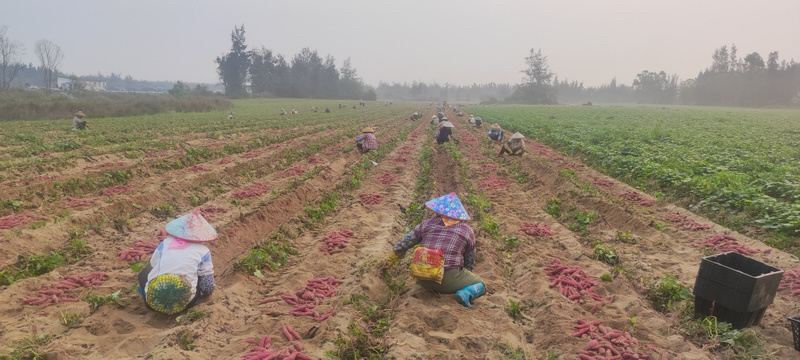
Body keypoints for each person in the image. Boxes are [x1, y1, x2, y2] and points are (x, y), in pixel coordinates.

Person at [385, 193, 485, 308]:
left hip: (422, 277)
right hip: (446, 280)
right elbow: (469, 260)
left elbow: (406, 242)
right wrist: (465, 276)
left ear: (438, 212)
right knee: (480, 284)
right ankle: (464, 293)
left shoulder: (426, 224)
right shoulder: (467, 230)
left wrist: (390, 260)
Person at [138, 210, 216, 315]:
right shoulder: (203, 251)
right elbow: (207, 286)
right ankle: (186, 300)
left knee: (144, 273)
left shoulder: (165, 243)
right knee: (198, 278)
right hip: (185, 304)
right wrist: (206, 294)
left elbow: (153, 264)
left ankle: (148, 296)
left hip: (152, 303)